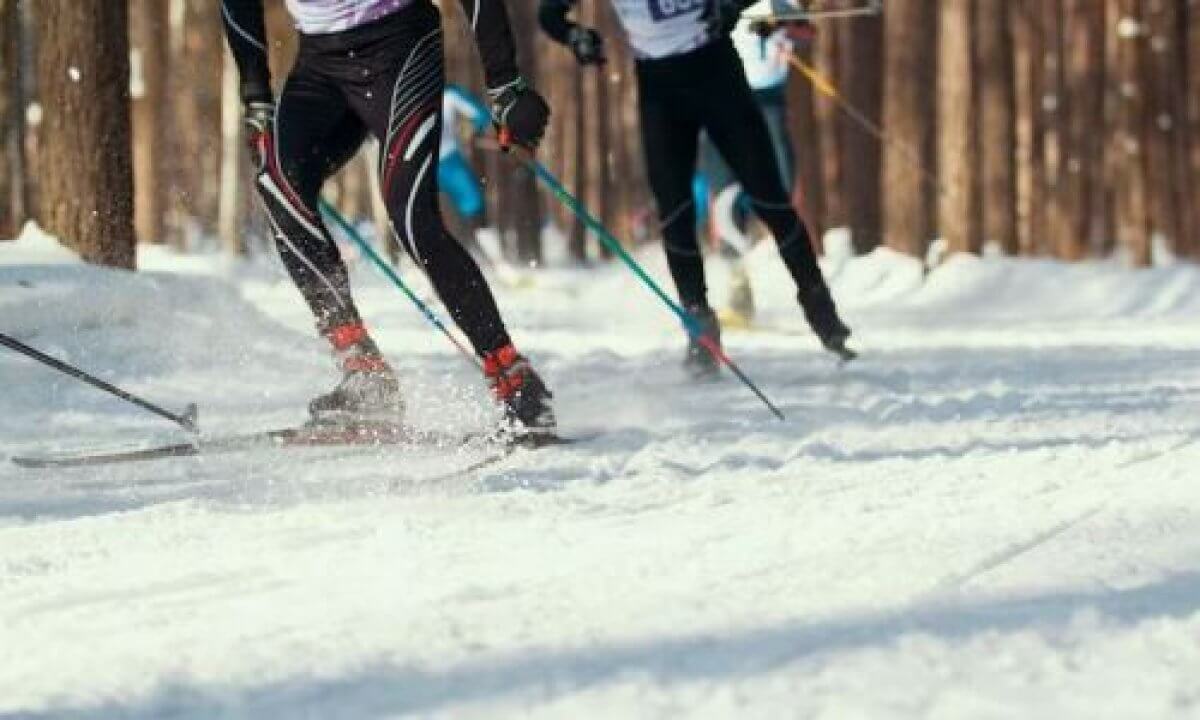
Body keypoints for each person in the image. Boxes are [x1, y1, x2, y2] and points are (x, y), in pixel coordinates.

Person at [221, 0, 556, 434]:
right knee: (277, 186)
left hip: (400, 50)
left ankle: (513, 375)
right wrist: (256, 98)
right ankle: (364, 373)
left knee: (412, 219)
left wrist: (505, 84)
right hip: (319, 64)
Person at [538, 0, 854, 376]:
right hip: (659, 89)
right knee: (674, 212)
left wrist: (730, 6)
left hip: (716, 73)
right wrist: (574, 36)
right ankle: (700, 327)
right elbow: (549, 14)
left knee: (770, 199)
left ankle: (821, 311)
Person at [696, 0, 814, 322]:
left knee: (782, 186)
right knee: (725, 195)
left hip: (769, 102)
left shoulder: (781, 3)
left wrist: (778, 26)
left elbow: (806, 31)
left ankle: (808, 290)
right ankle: (737, 284)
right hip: (724, 96)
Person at [439, 84, 491, 229]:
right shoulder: (448, 94)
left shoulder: (448, 94)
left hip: (446, 161)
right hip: (434, 163)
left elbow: (481, 115)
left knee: (474, 207)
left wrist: (473, 129)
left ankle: (481, 241)